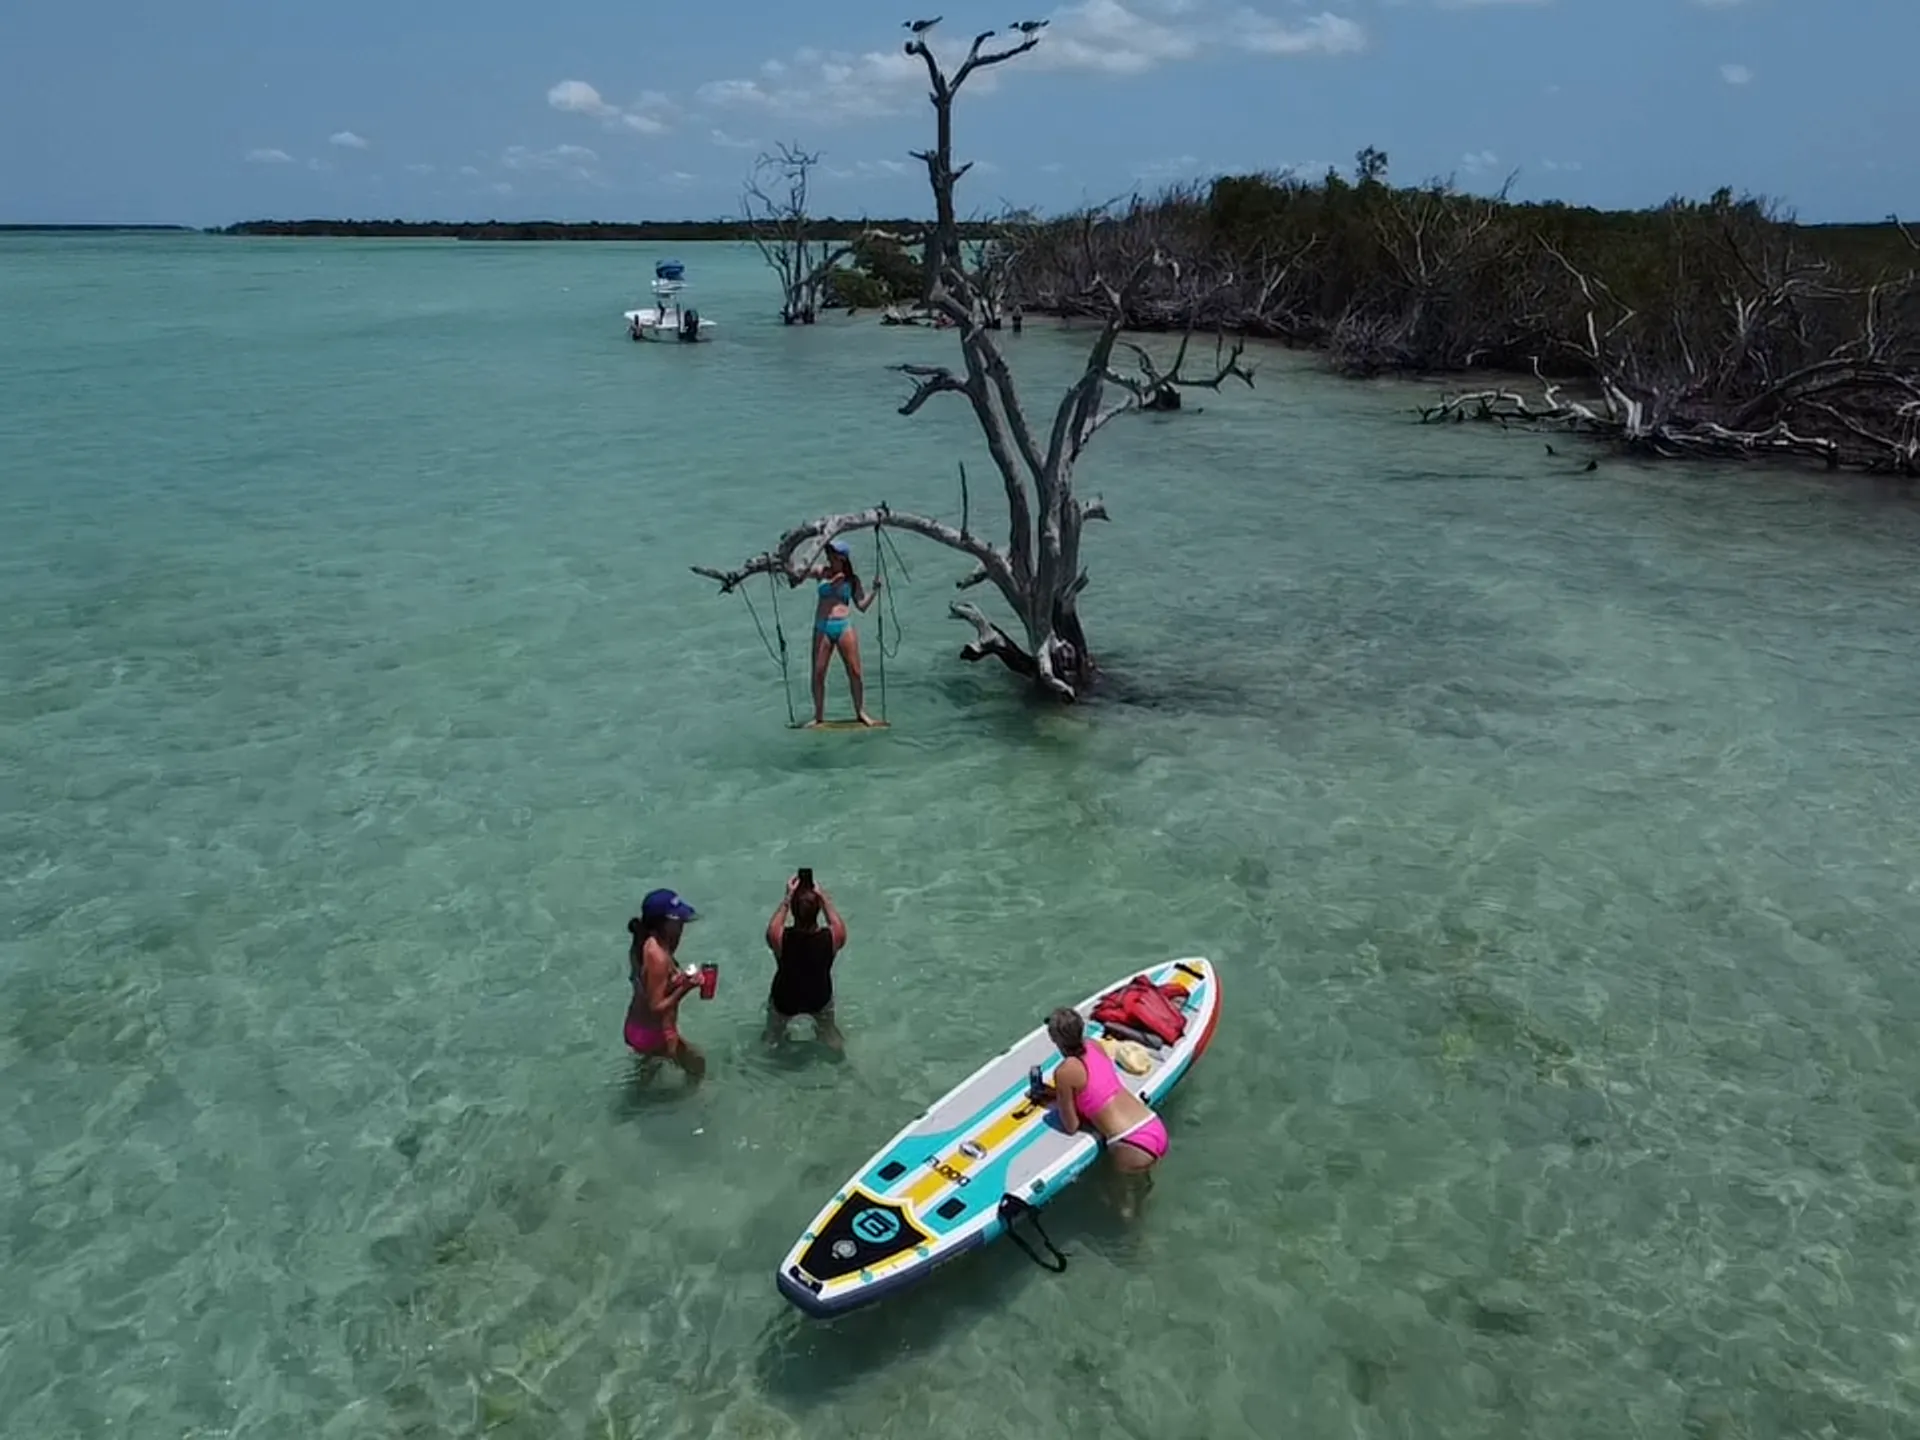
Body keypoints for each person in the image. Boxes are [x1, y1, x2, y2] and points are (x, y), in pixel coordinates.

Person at [1039, 1006, 1166, 1214]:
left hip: (1131, 1141)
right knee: (1139, 1186)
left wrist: (1058, 1100)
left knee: (1121, 1207)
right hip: (1152, 1125)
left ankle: (1135, 1229)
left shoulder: (1064, 1072)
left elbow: (1071, 1126)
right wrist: (1059, 1093)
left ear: (1054, 1038)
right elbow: (1096, 1089)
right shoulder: (1094, 1045)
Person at [623, 889, 706, 1080]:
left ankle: (642, 1091)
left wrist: (678, 980)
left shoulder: (643, 943)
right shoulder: (658, 957)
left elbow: (648, 986)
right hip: (655, 1033)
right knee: (697, 1065)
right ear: (664, 924)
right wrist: (686, 988)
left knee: (648, 1072)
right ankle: (693, 1099)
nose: (682, 927)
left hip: (637, 1028)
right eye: (679, 922)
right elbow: (656, 1007)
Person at [801, 539, 882, 728]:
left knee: (855, 671)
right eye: (828, 553)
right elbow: (800, 572)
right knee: (818, 673)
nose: (828, 556)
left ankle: (861, 712)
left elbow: (861, 606)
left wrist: (875, 591)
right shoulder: (821, 571)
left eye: (833, 554)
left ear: (842, 558)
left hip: (844, 625)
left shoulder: (852, 580)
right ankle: (818, 716)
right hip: (822, 626)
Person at [763, 873, 848, 1048]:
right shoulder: (833, 937)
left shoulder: (779, 938)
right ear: (818, 910)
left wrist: (787, 898)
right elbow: (837, 924)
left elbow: (773, 927)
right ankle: (840, 1059)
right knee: (829, 1034)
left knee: (772, 1037)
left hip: (786, 999)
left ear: (792, 911)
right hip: (818, 997)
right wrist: (823, 898)